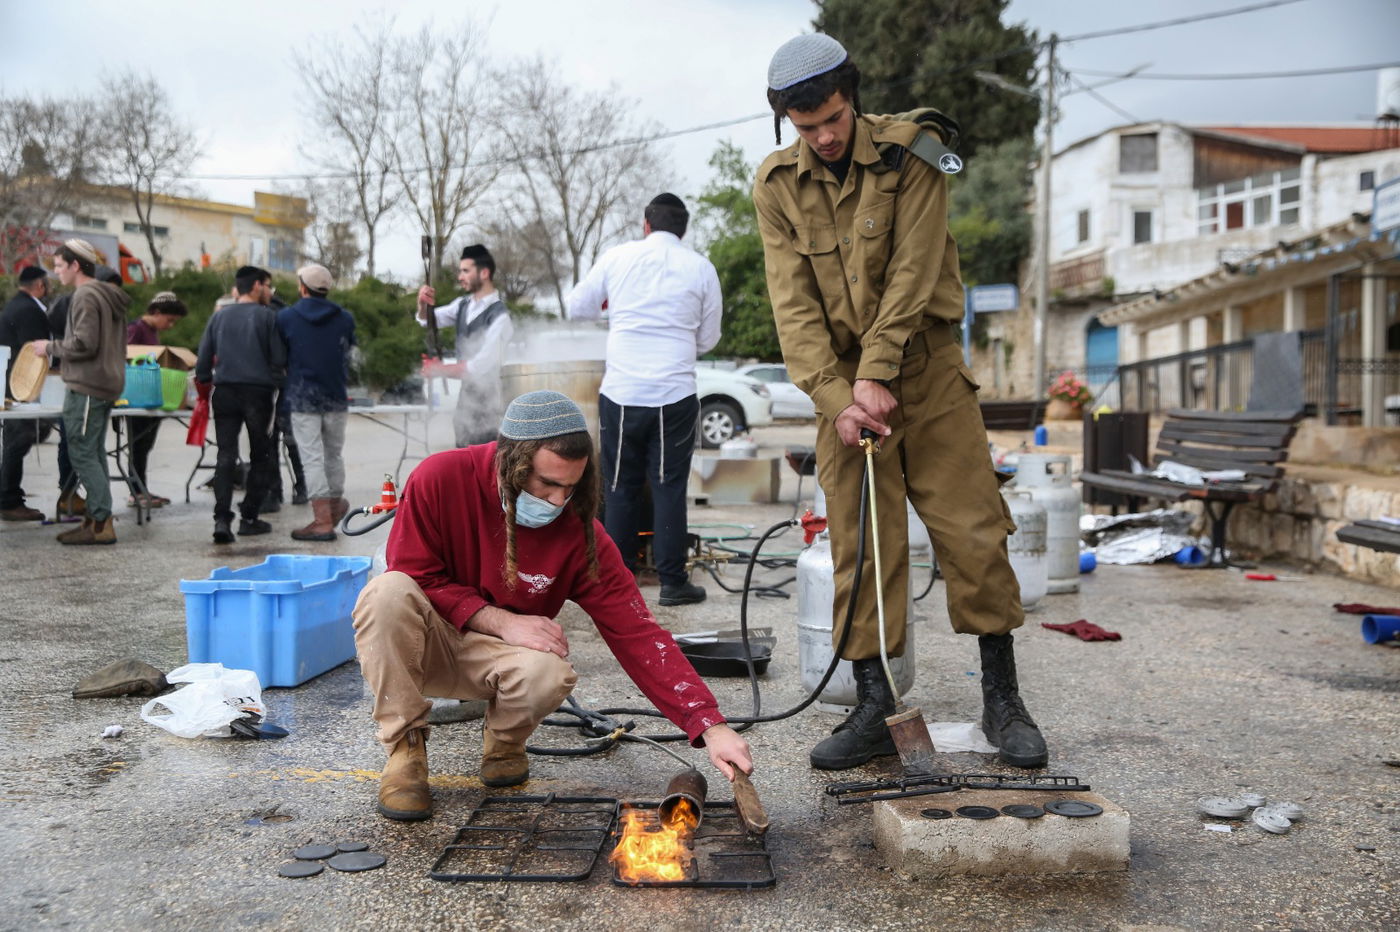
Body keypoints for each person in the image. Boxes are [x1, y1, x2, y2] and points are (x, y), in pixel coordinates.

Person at [753, 34, 1047, 770]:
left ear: (851, 97)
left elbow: (915, 272)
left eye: (833, 119)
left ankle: (1002, 700)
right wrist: (836, 396)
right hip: (844, 394)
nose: (823, 138)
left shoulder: (915, 149)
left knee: (974, 532)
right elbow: (792, 308)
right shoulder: (776, 185)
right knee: (859, 546)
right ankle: (873, 705)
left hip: (928, 371)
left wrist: (877, 371)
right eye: (806, 127)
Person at [351, 390, 753, 822]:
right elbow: (415, 573)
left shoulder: (580, 533)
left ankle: (504, 742)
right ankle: (405, 751)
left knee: (552, 671)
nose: (559, 501)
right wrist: (499, 620)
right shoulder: (440, 477)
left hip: (489, 663)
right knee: (386, 591)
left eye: (572, 486)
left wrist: (709, 724)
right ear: (510, 461)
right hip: (423, 646)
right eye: (547, 483)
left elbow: (640, 634)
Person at [566, 193, 722, 607]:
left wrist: (614, 312)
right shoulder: (702, 268)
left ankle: (618, 587)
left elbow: (577, 306)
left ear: (645, 224)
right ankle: (673, 583)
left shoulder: (618, 258)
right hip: (675, 393)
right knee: (669, 486)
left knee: (620, 487)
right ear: (683, 230)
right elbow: (708, 338)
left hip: (623, 392)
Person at [28, 241, 129, 545]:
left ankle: (100, 523)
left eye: (59, 265)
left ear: (75, 266)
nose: (55, 272)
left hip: (87, 385)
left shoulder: (86, 295)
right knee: (93, 452)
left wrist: (49, 347)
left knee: (83, 452)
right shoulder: (106, 293)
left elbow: (84, 343)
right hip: (102, 382)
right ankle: (96, 519)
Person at [194, 265, 287, 544]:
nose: (269, 291)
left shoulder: (219, 317)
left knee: (225, 455)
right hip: (258, 394)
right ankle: (249, 516)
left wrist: (204, 384)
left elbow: (203, 360)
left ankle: (222, 519)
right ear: (257, 286)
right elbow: (279, 360)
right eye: (268, 286)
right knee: (262, 454)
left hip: (224, 392)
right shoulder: (268, 318)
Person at [276, 263, 355, 541]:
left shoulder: (287, 317)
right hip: (336, 396)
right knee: (333, 454)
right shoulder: (345, 318)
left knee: (311, 457)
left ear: (302, 287)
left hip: (303, 396)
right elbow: (349, 354)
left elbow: (279, 358)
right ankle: (334, 506)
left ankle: (322, 520)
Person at [415, 244, 513, 448]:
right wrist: (423, 303)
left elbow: (480, 366)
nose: (460, 277)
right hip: (466, 402)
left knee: (485, 465)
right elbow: (427, 320)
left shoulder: (500, 316)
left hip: (491, 404)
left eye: (465, 271)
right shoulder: (462, 305)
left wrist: (439, 370)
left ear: (484, 272)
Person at [124, 291, 188, 508]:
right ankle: (136, 491)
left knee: (145, 446)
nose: (170, 325)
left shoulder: (150, 331)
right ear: (156, 312)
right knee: (138, 446)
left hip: (150, 397)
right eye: (169, 320)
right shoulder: (135, 329)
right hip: (137, 398)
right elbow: (129, 357)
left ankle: (141, 488)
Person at [0, 266, 53, 521]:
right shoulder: (30, 310)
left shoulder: (14, 305)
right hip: (20, 385)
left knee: (15, 440)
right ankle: (9, 500)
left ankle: (9, 496)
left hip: (9, 381)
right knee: (19, 440)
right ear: (40, 286)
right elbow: (35, 354)